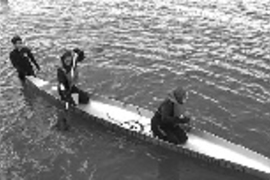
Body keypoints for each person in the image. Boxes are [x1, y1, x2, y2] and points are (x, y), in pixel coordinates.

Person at [53, 48, 89, 130]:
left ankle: (74, 102)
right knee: (67, 106)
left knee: (85, 99)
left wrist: (77, 52)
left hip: (72, 88)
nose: (68, 62)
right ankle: (62, 123)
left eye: (70, 60)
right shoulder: (61, 70)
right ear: (63, 60)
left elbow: (80, 55)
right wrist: (66, 95)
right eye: (67, 61)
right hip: (64, 90)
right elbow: (61, 84)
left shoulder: (73, 63)